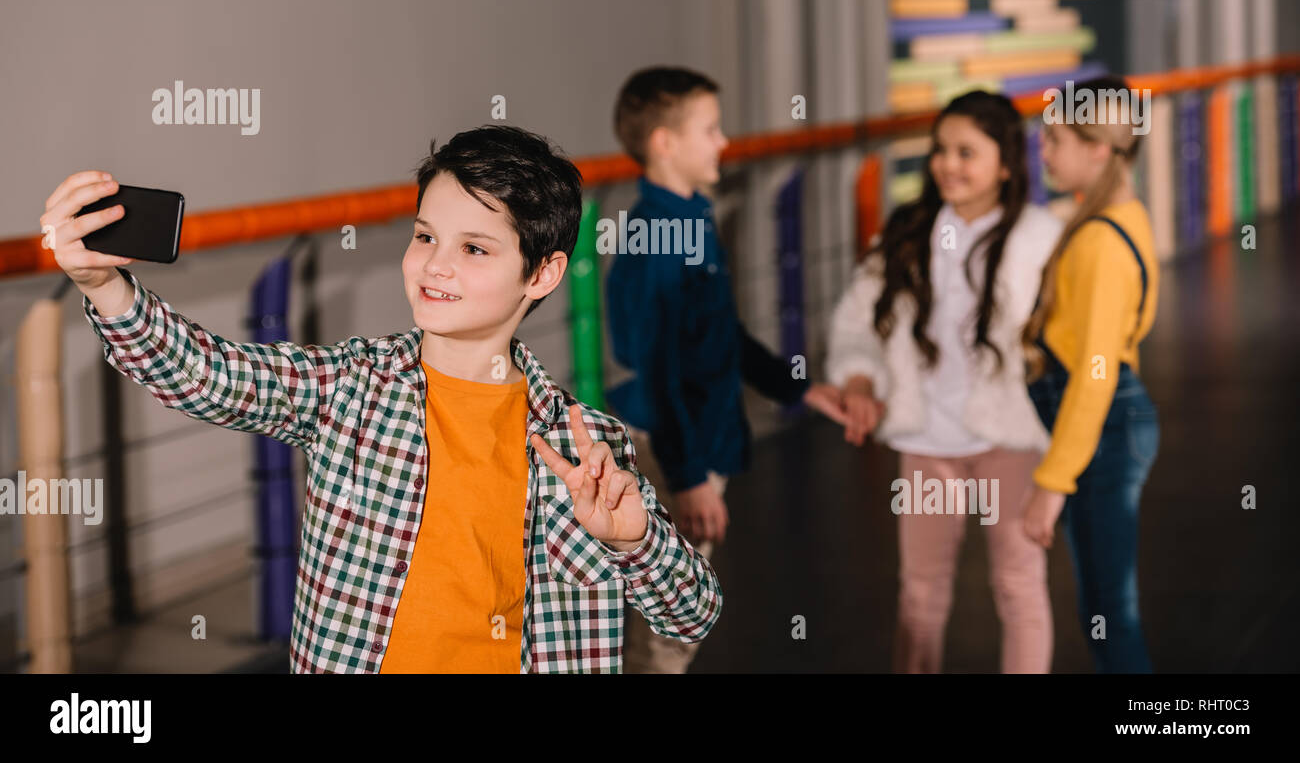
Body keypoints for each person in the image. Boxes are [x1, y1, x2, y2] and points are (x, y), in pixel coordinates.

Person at [41, 124, 721, 673]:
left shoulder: (586, 446)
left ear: (542, 273)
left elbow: (692, 613)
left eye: (476, 249)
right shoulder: (352, 387)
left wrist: (633, 538)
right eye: (425, 235)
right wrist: (105, 287)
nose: (436, 264)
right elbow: (206, 374)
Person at [604, 66, 846, 673]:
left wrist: (800, 388)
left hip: (690, 442)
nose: (724, 142)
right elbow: (658, 364)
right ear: (665, 142)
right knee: (669, 628)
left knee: (671, 623)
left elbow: (719, 336)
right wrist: (687, 478)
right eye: (710, 129)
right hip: (673, 448)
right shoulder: (661, 234)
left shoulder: (690, 220)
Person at [826, 91, 1063, 673]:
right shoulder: (909, 229)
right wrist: (857, 378)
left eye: (966, 152)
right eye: (939, 150)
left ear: (1006, 164)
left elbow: (1068, 344)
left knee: (1018, 587)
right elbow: (857, 318)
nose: (947, 164)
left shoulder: (1042, 237)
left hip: (1010, 439)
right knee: (920, 595)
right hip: (926, 440)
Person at [1020, 75, 1160, 673]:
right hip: (1104, 428)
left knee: (1110, 613)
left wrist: (1052, 484)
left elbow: (1096, 374)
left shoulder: (1102, 239)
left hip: (1102, 430)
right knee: (1103, 610)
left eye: (1055, 140)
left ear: (1099, 146)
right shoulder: (1115, 215)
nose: (1044, 152)